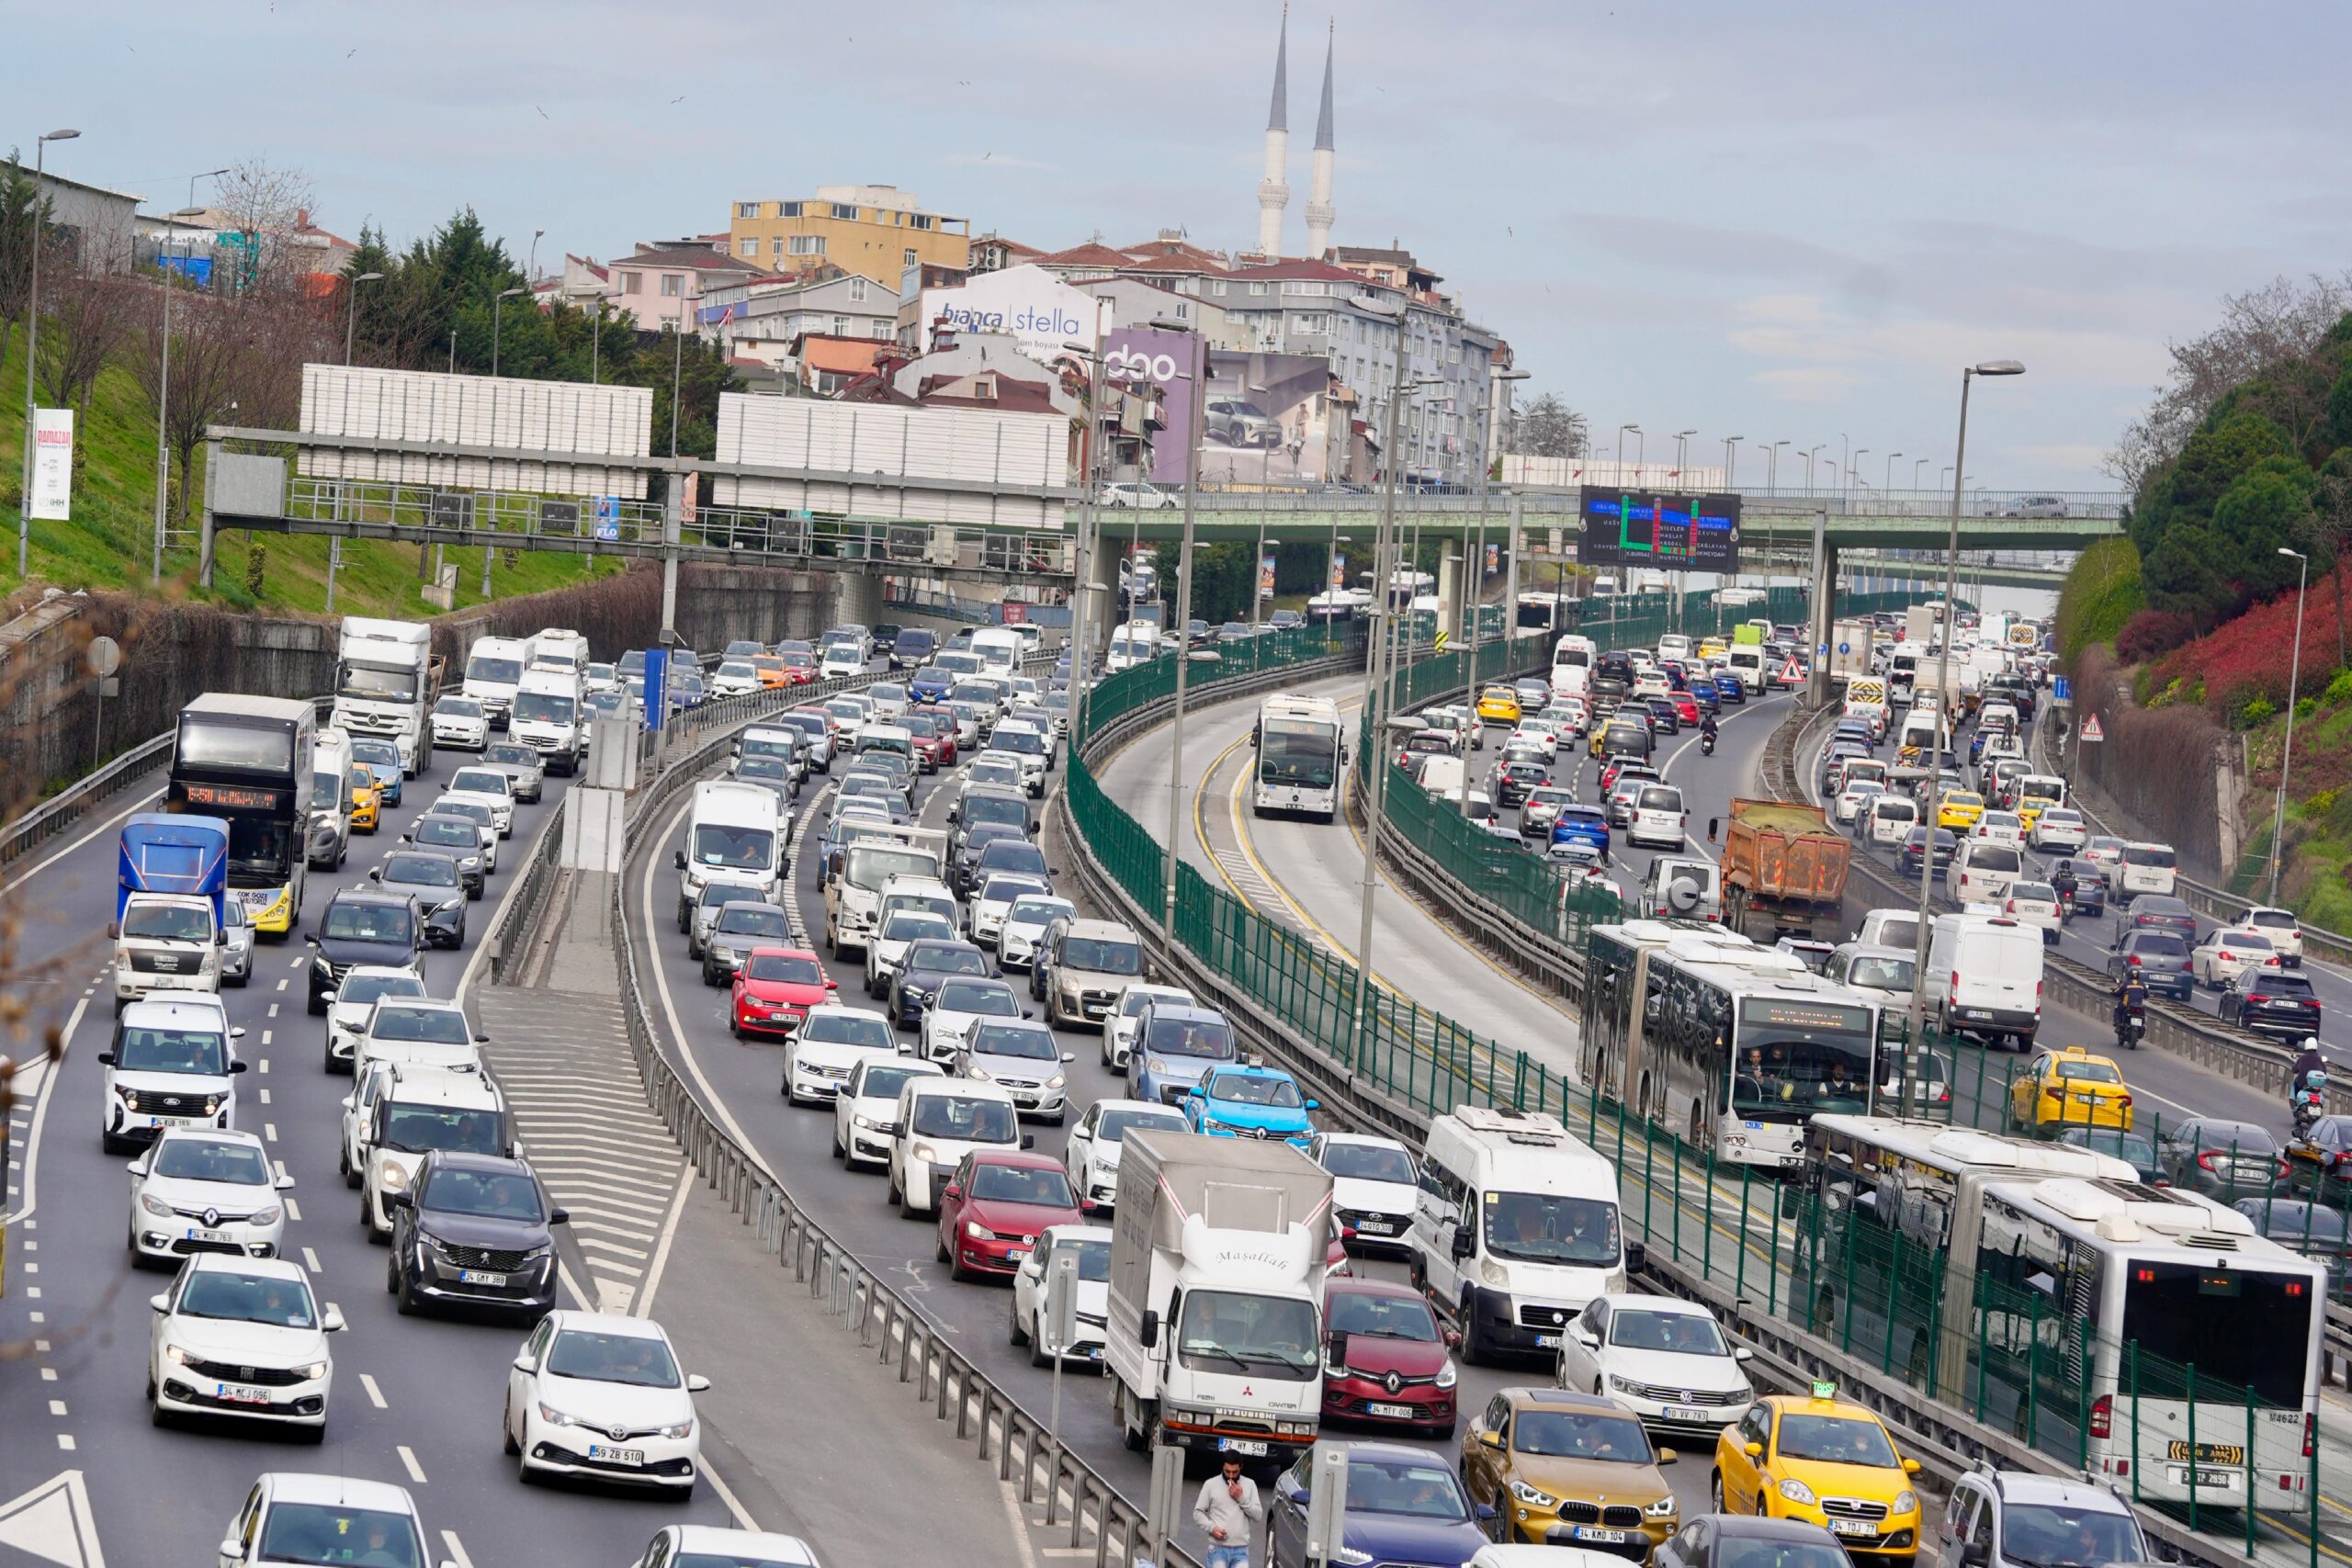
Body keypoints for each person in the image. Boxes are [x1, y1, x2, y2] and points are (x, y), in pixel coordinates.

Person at [1192, 1456, 1265, 1568]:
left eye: (1235, 1472)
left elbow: (1258, 1515)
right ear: (1222, 1467)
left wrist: (1241, 1498)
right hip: (1218, 1550)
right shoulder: (1210, 1485)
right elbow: (1198, 1513)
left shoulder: (1250, 1485)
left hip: (1241, 1551)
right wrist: (1212, 1528)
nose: (1231, 1476)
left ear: (1241, 1468)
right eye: (1227, 1471)